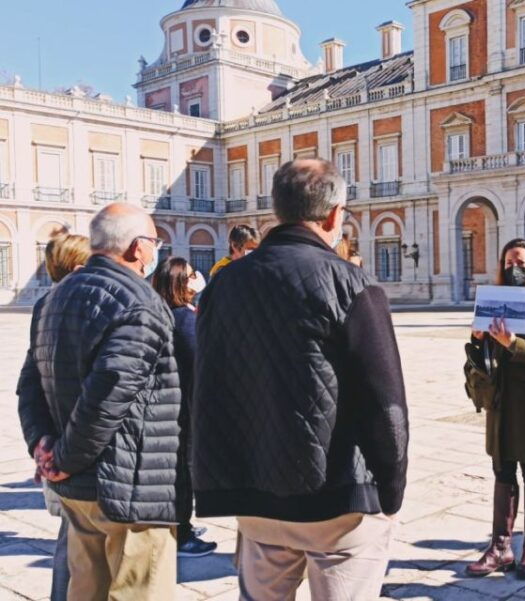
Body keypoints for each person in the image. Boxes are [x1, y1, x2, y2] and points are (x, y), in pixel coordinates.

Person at [194, 159, 409, 601]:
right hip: (336, 500)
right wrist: (391, 491)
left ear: (278, 211)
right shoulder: (351, 283)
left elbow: (208, 388)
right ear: (333, 215)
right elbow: (385, 404)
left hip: (253, 496)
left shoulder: (222, 284)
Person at [16, 203, 181, 601]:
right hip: (130, 487)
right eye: (154, 241)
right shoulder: (138, 302)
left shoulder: (55, 298)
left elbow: (30, 386)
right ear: (138, 248)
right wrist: (63, 458)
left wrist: (44, 446)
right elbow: (108, 394)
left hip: (78, 487)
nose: (156, 250)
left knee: (85, 589)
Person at [464, 239, 525, 579]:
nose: (514, 267)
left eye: (521, 261)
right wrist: (478, 337)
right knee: (502, 468)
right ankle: (500, 546)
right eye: (508, 261)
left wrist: (512, 343)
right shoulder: (495, 298)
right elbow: (480, 355)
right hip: (500, 396)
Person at [33, 233, 91, 601]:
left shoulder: (45, 303)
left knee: (69, 539)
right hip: (74, 442)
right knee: (76, 541)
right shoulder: (77, 305)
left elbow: (30, 384)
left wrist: (40, 442)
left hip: (56, 440)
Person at [152, 257, 217, 558]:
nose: (197, 278)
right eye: (191, 275)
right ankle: (182, 531)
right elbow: (199, 362)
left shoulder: (167, 313)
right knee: (182, 472)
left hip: (173, 405)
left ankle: (180, 526)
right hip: (185, 408)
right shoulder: (184, 318)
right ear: (181, 282)